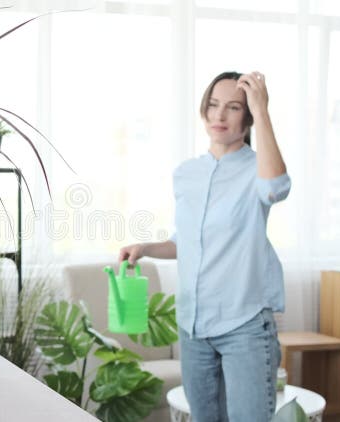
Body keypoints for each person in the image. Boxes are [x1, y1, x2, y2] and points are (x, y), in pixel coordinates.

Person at [118, 71, 291, 421]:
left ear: (248, 116)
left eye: (233, 107)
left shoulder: (256, 169)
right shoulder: (187, 174)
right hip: (194, 327)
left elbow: (276, 189)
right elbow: (187, 241)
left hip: (244, 326)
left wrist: (263, 108)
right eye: (213, 105)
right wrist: (146, 247)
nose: (219, 116)